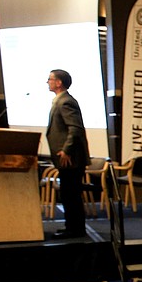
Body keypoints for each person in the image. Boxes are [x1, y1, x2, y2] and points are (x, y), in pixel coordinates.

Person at [46, 69, 89, 238]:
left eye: (50, 79)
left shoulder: (65, 102)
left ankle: (76, 229)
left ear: (59, 82)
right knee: (68, 194)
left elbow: (75, 128)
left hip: (71, 158)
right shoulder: (60, 101)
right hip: (67, 159)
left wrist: (66, 150)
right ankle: (71, 226)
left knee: (71, 195)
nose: (47, 82)